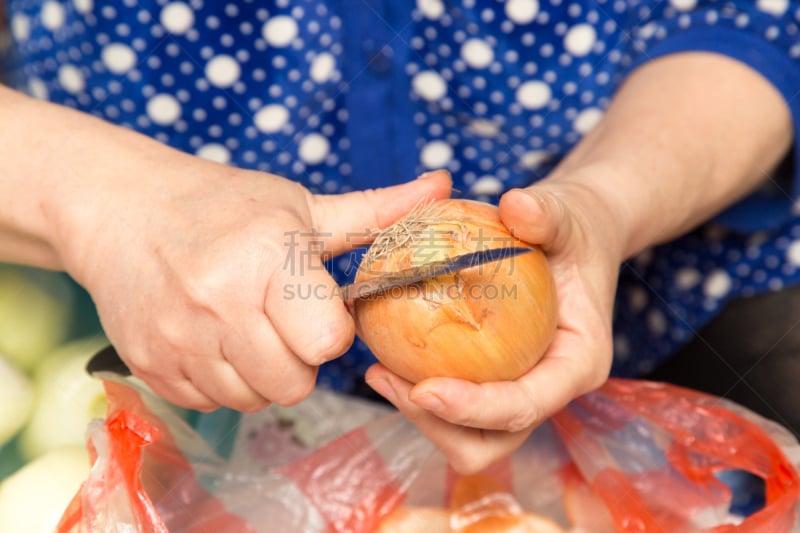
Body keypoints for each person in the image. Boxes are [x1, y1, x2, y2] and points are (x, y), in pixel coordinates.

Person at [0, 0, 798, 474]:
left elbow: (749, 20)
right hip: (187, 351)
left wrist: (604, 204)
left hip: (698, 311)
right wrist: (101, 199)